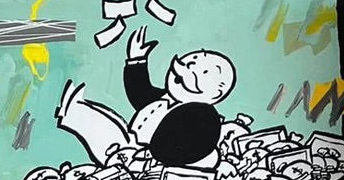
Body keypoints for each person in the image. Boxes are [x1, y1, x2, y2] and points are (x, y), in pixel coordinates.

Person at [56, 27, 237, 169]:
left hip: (143, 160)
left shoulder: (201, 116)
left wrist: (156, 157)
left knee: (106, 131)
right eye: (177, 73)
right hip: (131, 147)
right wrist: (136, 59)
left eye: (203, 72)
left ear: (215, 94)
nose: (189, 67)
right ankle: (73, 109)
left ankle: (73, 111)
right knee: (107, 123)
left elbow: (193, 144)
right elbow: (140, 93)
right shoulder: (165, 98)